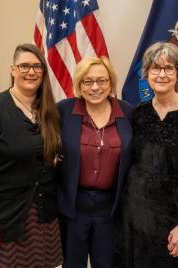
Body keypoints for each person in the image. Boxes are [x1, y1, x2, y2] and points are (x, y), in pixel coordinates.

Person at [0, 43, 63, 268]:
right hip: (5, 217)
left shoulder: (48, 111)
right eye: (24, 66)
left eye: (37, 67)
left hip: (44, 216)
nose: (31, 72)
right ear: (12, 69)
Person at [117, 42, 178, 267]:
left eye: (168, 68)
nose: (161, 74)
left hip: (177, 219)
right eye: (155, 68)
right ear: (146, 73)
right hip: (136, 218)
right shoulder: (138, 113)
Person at [57, 56, 133, 268]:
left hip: (110, 208)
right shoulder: (63, 111)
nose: (95, 87)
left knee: (106, 263)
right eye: (87, 81)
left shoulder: (128, 113)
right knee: (72, 263)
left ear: (111, 83)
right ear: (79, 85)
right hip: (73, 206)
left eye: (102, 80)